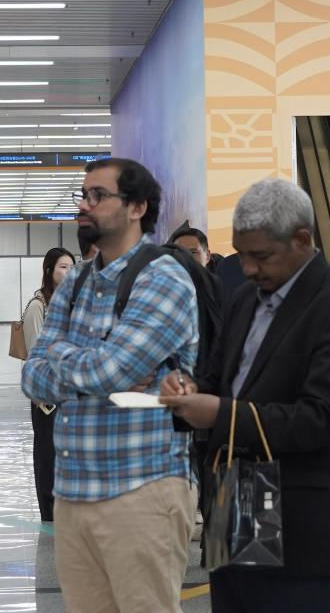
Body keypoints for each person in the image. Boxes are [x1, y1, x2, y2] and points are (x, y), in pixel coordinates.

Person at [159, 178, 330, 613]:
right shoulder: (244, 300)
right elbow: (218, 379)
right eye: (242, 255)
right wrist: (188, 389)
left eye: (261, 256)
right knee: (237, 598)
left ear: (302, 240)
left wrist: (219, 413)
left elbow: (323, 419)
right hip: (234, 496)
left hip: (303, 516)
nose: (249, 269)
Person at [21, 158, 199, 613]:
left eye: (97, 196)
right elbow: (32, 376)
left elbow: (111, 371)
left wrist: (67, 358)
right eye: (83, 195)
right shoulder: (77, 281)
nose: (84, 205)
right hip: (73, 495)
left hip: (141, 489)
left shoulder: (163, 278)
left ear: (137, 207)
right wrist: (93, 363)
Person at [19, 247, 75, 523]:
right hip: (47, 393)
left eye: (72, 267)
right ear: (49, 271)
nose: (69, 272)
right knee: (47, 452)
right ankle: (49, 508)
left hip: (71, 390)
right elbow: (36, 353)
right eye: (63, 267)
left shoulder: (72, 304)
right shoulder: (38, 306)